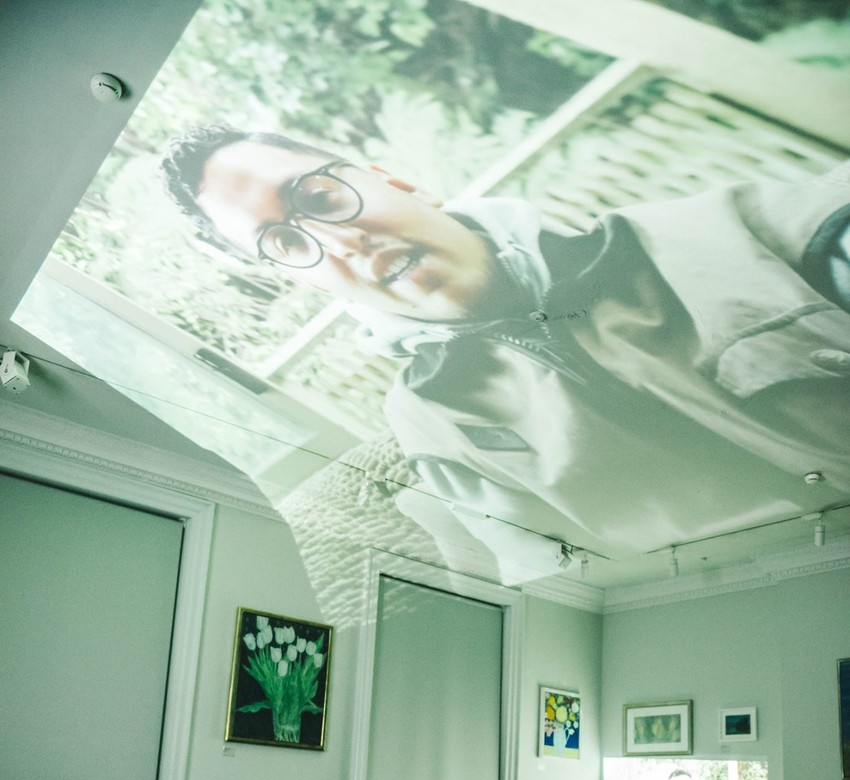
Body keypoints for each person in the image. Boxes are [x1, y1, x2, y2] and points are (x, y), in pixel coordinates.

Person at [162, 127, 850, 574]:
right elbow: (561, 598)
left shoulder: (735, 229)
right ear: (294, 277)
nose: (342, 244)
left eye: (319, 196)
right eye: (285, 241)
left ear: (396, 181)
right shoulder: (435, 428)